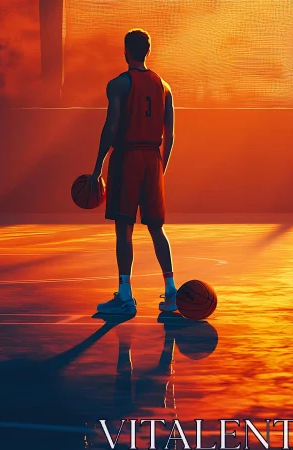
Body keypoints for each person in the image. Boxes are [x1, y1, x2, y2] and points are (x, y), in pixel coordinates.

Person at [92, 29, 177, 315]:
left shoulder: (118, 84)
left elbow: (111, 126)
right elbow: (170, 135)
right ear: (148, 51)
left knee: (124, 228)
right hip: (153, 158)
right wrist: (160, 169)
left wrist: (97, 167)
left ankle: (126, 296)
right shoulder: (164, 86)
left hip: (127, 157)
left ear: (125, 51)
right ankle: (171, 291)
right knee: (157, 228)